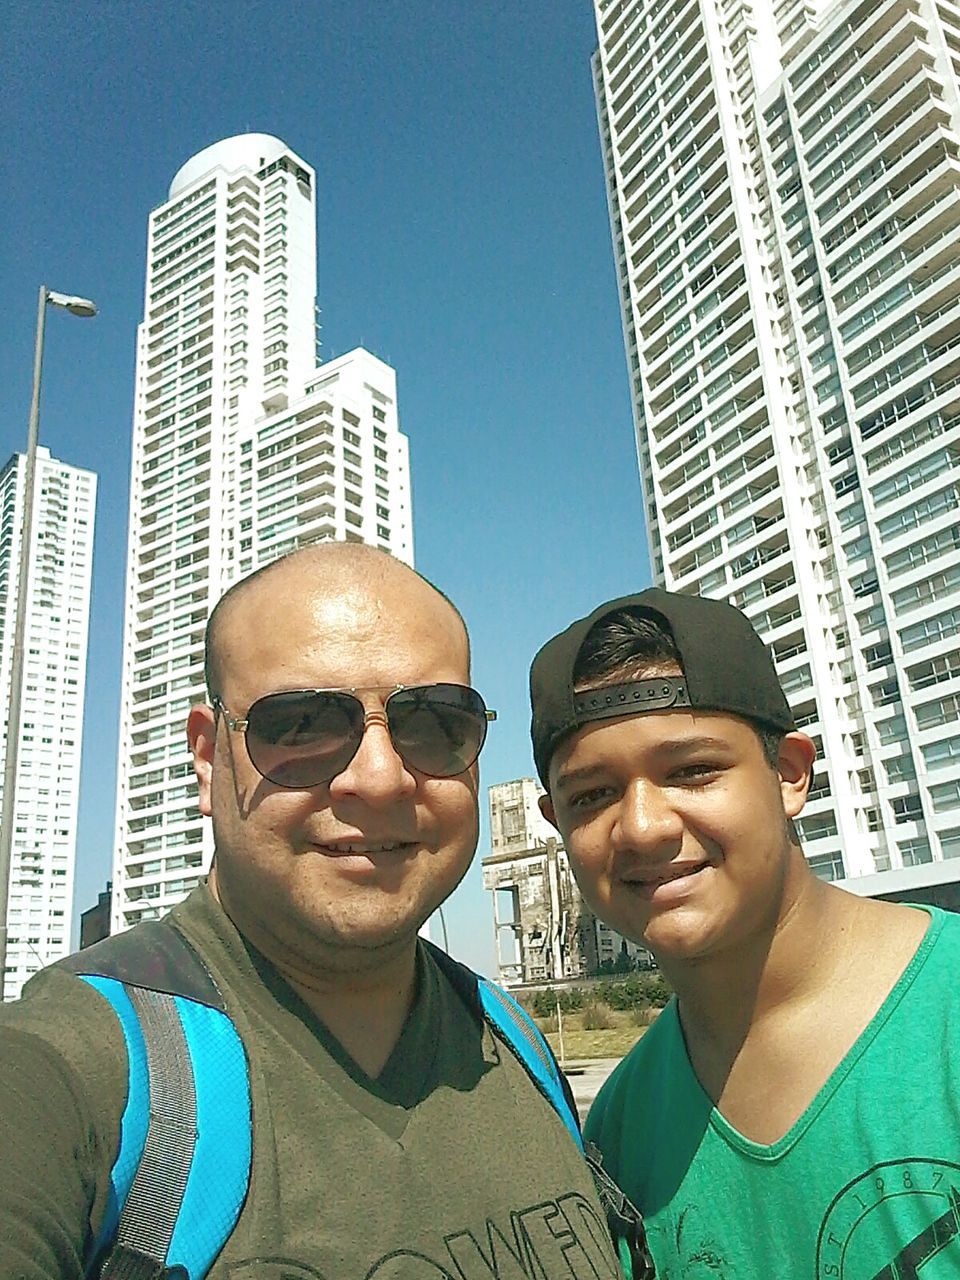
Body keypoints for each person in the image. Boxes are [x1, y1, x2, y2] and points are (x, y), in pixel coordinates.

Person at [0, 544, 626, 1280]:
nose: (381, 777)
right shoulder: (70, 1068)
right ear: (209, 760)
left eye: (432, 723)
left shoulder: (515, 1041)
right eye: (300, 725)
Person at [529, 587, 960, 1278]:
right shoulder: (620, 1128)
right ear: (560, 826)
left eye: (693, 771)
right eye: (593, 795)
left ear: (790, 774)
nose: (642, 826)